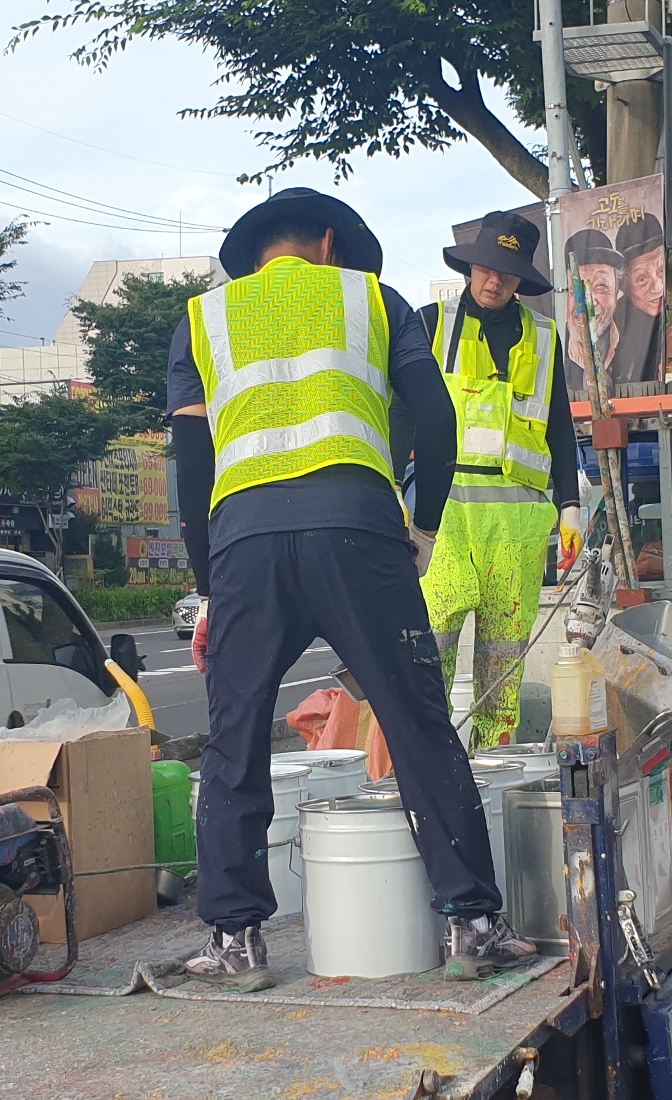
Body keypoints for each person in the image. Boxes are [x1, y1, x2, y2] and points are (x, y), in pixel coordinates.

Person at [166, 188, 524, 989]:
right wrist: (424, 529)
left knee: (234, 734)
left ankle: (236, 941)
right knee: (416, 717)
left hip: (246, 543)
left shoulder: (203, 320)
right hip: (360, 529)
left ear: (263, 252)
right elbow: (436, 421)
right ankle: (471, 922)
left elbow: (191, 464)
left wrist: (210, 590)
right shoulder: (374, 299)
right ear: (329, 244)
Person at [408, 210, 585, 749]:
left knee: (502, 661)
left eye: (506, 273)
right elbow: (398, 409)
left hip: (519, 525)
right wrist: (394, 492)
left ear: (520, 280)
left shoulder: (544, 336)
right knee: (429, 641)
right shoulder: (431, 323)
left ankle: (495, 772)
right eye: (486, 268)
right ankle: (426, 759)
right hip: (444, 514)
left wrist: (571, 505)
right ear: (469, 267)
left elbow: (559, 427)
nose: (493, 280)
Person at [560, 228, 623, 395]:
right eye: (577, 289)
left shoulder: (633, 347)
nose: (589, 302)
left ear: (616, 291)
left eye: (601, 287)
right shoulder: (554, 355)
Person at [610, 214, 667, 385]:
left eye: (661, 271)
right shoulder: (613, 325)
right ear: (624, 285)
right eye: (642, 278)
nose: (658, 287)